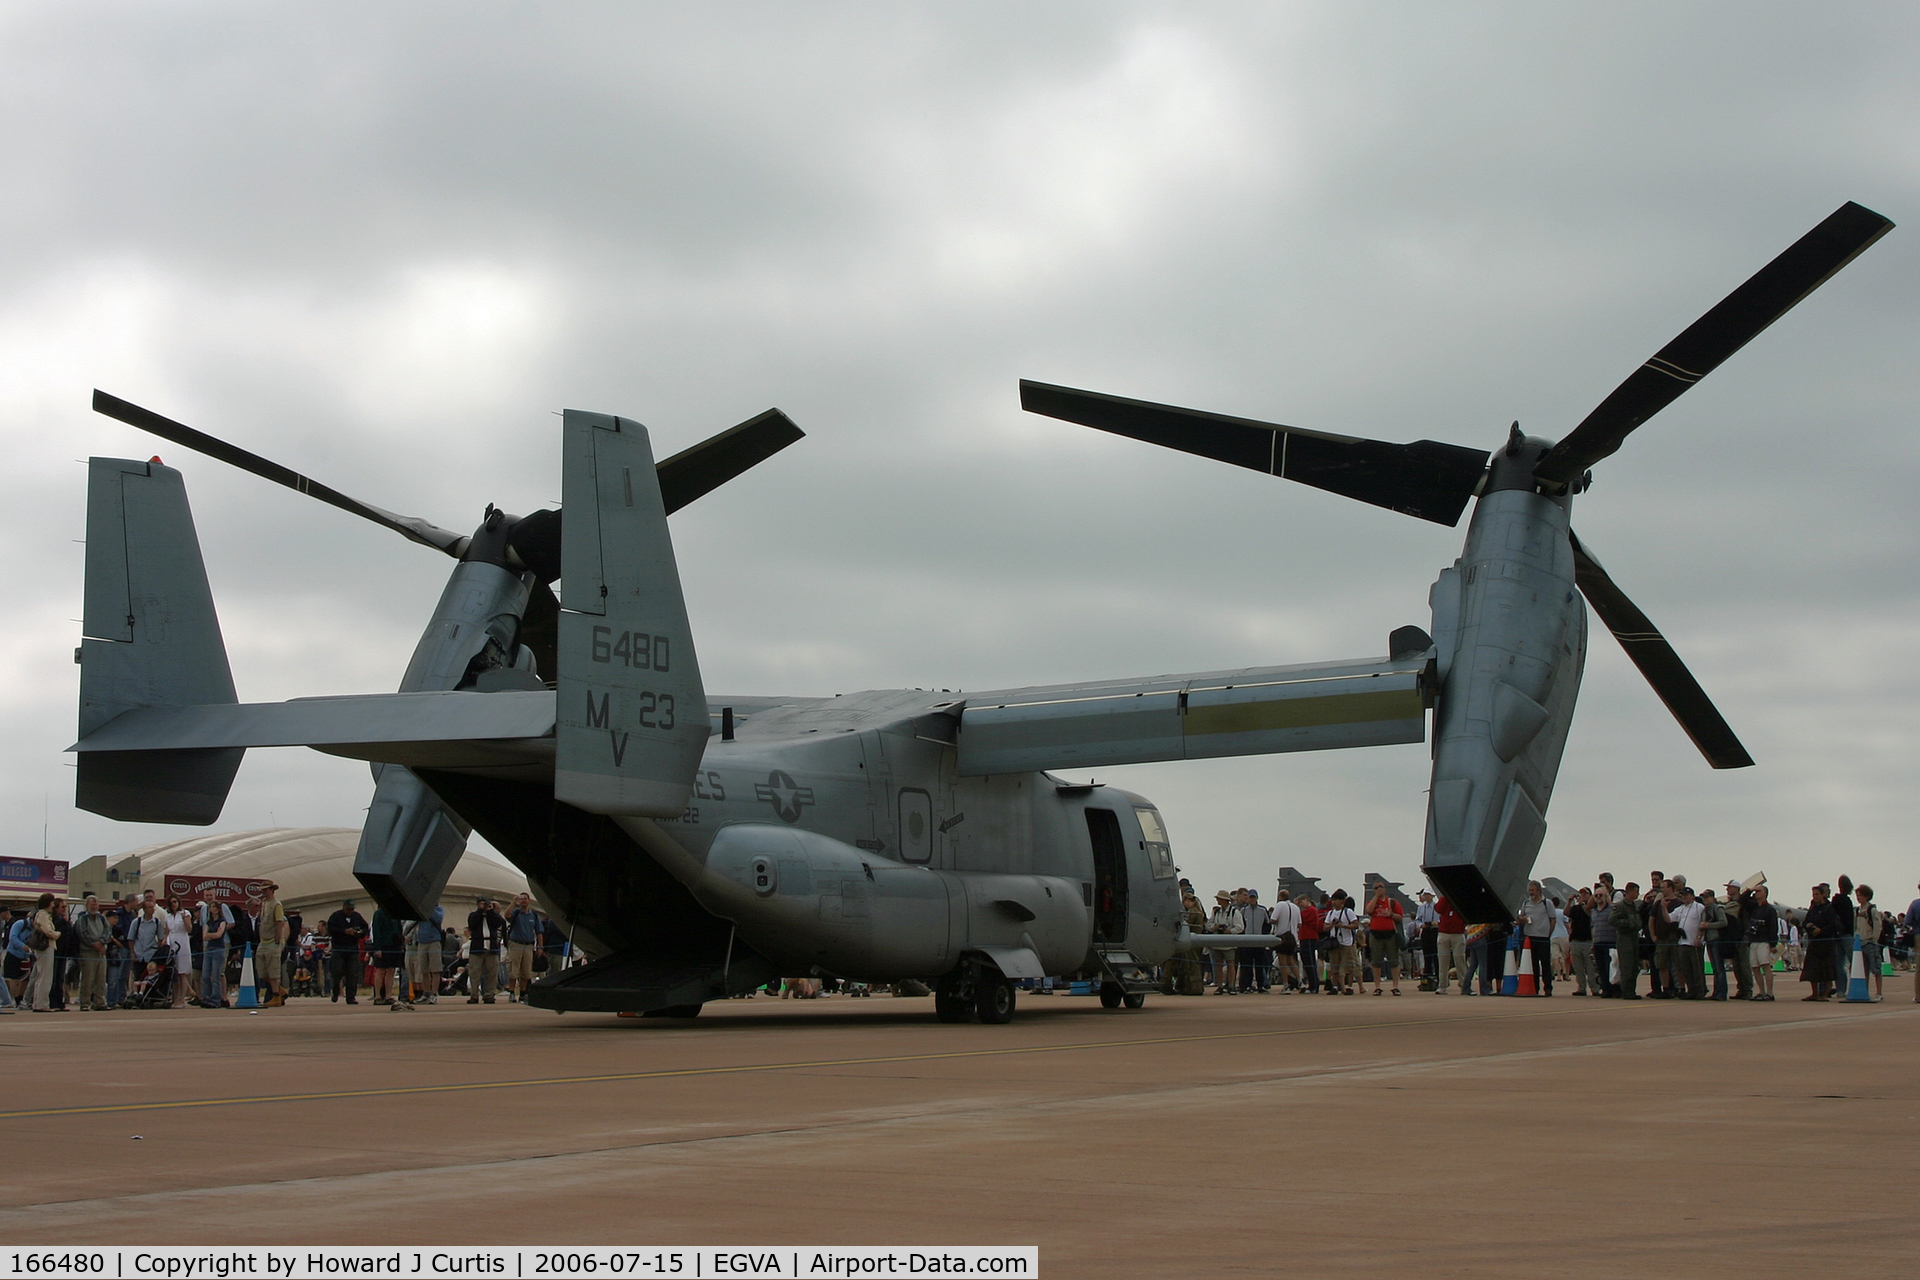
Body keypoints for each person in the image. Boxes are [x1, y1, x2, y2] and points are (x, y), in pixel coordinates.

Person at [71, 894, 113, 1011]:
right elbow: (82, 933)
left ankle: (100, 1002)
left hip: (101, 952)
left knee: (101, 978)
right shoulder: (82, 919)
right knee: (87, 978)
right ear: (87, 906)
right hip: (88, 952)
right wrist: (93, 944)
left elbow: (108, 931)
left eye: (96, 904)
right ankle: (85, 1003)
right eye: (92, 904)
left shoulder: (102, 918)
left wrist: (102, 942)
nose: (94, 906)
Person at [1800, 885, 1841, 1001]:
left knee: (1827, 970)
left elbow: (1834, 925)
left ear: (1823, 895)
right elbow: (1805, 921)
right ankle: (1814, 993)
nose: (1815, 897)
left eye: (1817, 894)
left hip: (1826, 943)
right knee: (1812, 969)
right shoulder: (1812, 908)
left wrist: (1821, 930)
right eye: (1813, 895)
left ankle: (1825, 994)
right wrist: (1809, 926)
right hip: (1814, 942)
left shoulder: (1829, 908)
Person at [325, 899, 369, 1005]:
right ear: (344, 906)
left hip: (352, 949)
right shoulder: (336, 916)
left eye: (352, 909)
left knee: (352, 974)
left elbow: (365, 928)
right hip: (339, 949)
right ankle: (335, 992)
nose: (350, 911)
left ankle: (351, 997)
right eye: (348, 909)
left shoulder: (357, 917)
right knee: (337, 972)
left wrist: (360, 932)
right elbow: (331, 929)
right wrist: (344, 931)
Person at [1515, 881, 1555, 996]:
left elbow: (1553, 919)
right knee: (1533, 964)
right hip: (1529, 937)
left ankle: (1548, 988)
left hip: (1543, 938)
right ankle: (1535, 988)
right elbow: (1520, 916)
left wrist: (1549, 933)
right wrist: (1522, 919)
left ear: (1539, 891)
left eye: (1533, 890)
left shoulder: (1547, 903)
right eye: (1530, 890)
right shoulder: (1526, 903)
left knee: (1545, 963)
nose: (1531, 893)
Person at [1364, 882, 1404, 995]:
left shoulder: (1392, 902)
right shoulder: (1372, 902)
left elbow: (1400, 916)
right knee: (1376, 961)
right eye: (1376, 888)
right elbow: (1369, 911)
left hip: (1390, 934)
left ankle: (1395, 986)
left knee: (1393, 960)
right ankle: (1377, 986)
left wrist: (1391, 914)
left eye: (1381, 887)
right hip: (1376, 935)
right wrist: (1376, 897)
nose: (1379, 889)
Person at [504, 893, 545, 1004]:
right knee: (513, 970)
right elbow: (506, 915)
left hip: (528, 945)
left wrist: (540, 947)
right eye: (521, 899)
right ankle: (512, 993)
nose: (523, 901)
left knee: (526, 972)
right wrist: (513, 903)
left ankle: (523, 993)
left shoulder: (534, 915)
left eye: (525, 899)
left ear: (529, 900)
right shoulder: (516, 913)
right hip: (516, 944)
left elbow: (539, 932)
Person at [195, 889, 233, 1008]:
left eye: (211, 895)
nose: (209, 897)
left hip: (222, 944)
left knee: (219, 972)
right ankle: (207, 997)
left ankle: (222, 997)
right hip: (207, 946)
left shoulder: (223, 907)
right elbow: (203, 929)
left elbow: (230, 923)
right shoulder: (203, 910)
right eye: (207, 895)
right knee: (206, 974)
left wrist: (215, 934)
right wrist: (209, 937)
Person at [24, 893, 61, 1012]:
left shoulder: (44, 914)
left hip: (46, 948)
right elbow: (47, 930)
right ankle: (42, 1004)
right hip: (45, 947)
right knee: (45, 976)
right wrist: (57, 934)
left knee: (41, 976)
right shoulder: (43, 914)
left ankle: (38, 1002)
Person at [254, 882, 288, 1007]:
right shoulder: (264, 904)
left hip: (273, 941)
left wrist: (278, 939)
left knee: (273, 971)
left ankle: (276, 996)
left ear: (272, 890)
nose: (263, 891)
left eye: (265, 889)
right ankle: (279, 989)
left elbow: (280, 923)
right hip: (263, 941)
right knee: (262, 971)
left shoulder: (276, 905)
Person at [467, 898, 507, 1003]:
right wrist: (480, 911)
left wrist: (491, 911)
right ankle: (474, 995)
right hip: (477, 946)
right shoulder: (473, 915)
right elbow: (472, 923)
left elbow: (500, 923)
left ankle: (489, 995)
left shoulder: (492, 916)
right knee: (475, 973)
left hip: (492, 947)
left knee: (492, 973)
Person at [1322, 892, 1362, 995]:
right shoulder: (1330, 913)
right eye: (1333, 900)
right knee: (1334, 966)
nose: (1334, 902)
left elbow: (1355, 925)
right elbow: (1324, 927)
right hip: (1335, 942)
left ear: (1342, 901)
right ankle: (1335, 986)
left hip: (1347, 942)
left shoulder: (1348, 912)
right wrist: (1332, 925)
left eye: (1336, 900)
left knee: (1347, 966)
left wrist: (1343, 926)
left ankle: (1348, 986)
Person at [1745, 885, 1779, 1002]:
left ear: (1765, 894)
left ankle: (1769, 992)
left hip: (1764, 941)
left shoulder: (1770, 910)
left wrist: (1773, 944)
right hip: (1753, 940)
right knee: (1754, 967)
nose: (1756, 893)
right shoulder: (1754, 908)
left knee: (1765, 965)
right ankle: (1761, 991)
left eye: (1759, 891)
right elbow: (1742, 900)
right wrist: (1749, 890)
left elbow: (1773, 927)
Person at [1609, 883, 1643, 999]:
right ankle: (1626, 991)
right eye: (1636, 891)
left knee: (1634, 966)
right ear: (1630, 891)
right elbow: (1612, 920)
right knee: (1627, 966)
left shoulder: (1634, 906)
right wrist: (1628, 923)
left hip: (1634, 937)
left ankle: (1631, 990)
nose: (1637, 894)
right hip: (1625, 938)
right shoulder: (1620, 906)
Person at [408, 906, 446, 1004]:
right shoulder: (421, 908)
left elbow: (438, 919)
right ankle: (426, 993)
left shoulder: (438, 909)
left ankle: (433, 994)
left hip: (434, 941)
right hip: (421, 941)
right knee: (423, 970)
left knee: (435, 969)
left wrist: (429, 908)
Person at [161, 895, 193, 1008]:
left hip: (182, 941)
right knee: (174, 972)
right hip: (172, 942)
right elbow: (167, 931)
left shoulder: (185, 913)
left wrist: (185, 920)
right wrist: (165, 940)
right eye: (171, 902)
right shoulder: (168, 916)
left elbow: (189, 929)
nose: (174, 904)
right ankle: (175, 998)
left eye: (175, 902)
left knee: (182, 972)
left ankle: (181, 999)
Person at [1852, 885, 1883, 1001]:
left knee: (1876, 968)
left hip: (1870, 942)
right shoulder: (1857, 910)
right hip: (1860, 943)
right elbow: (1855, 926)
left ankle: (1879, 992)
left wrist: (1874, 939)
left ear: (1867, 896)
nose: (1858, 898)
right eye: (1857, 895)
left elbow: (1877, 926)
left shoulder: (1872, 910)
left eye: (1860, 896)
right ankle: (1864, 991)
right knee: (1863, 969)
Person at [370, 905, 405, 1005]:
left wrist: (400, 941)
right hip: (383, 945)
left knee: (392, 970)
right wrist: (377, 948)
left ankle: (388, 996)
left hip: (394, 945)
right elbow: (376, 930)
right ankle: (377, 996)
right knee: (380, 970)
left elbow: (399, 929)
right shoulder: (379, 914)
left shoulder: (395, 914)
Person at [1238, 890, 1272, 993]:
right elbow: (1241, 924)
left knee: (1259, 965)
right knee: (1247, 965)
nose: (1252, 899)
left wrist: (1263, 935)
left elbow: (1267, 924)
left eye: (1254, 897)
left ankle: (1260, 985)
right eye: (1251, 897)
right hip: (1247, 941)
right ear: (1248, 898)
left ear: (1257, 898)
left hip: (1259, 941)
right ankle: (1248, 985)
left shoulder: (1262, 910)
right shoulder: (1243, 910)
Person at [1208, 891, 1241, 994]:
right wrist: (1215, 927)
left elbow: (1240, 927)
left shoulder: (1234, 912)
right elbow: (1208, 925)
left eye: (1219, 898)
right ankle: (1220, 986)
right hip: (1217, 942)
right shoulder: (1216, 912)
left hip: (1229, 942)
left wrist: (1229, 931)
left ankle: (1231, 986)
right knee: (1218, 965)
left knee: (1230, 964)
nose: (1217, 900)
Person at [1269, 890, 1302, 993]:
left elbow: (1273, 919)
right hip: (1293, 937)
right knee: (1291, 961)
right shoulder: (1296, 907)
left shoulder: (1279, 905)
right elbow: (1300, 924)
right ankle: (1300, 981)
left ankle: (1286, 986)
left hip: (1282, 937)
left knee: (1282, 963)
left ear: (1280, 896)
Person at [1432, 895, 1466, 994]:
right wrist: (1446, 897)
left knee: (1460, 960)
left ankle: (1464, 984)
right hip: (1444, 932)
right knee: (1443, 961)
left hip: (1458, 932)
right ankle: (1442, 985)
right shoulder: (1445, 897)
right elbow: (1438, 909)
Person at [1566, 888, 1595, 996]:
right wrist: (1569, 901)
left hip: (1587, 940)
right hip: (1575, 940)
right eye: (1581, 894)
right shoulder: (1575, 908)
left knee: (1590, 967)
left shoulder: (1591, 907)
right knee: (1578, 967)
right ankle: (1581, 987)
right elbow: (1566, 912)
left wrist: (1583, 903)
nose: (1582, 895)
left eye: (1585, 894)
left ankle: (1594, 988)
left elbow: (1588, 912)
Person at [1296, 893, 1323, 994]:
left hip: (1309, 938)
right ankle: (1312, 984)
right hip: (1305, 938)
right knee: (1307, 962)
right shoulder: (1310, 910)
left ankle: (1314, 985)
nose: (1301, 904)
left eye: (1302, 902)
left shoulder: (1311, 910)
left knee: (1310, 962)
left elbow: (1300, 917)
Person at [1413, 891, 1440, 990]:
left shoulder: (1437, 907)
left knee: (1436, 956)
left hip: (1434, 930)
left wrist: (1436, 923)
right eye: (1425, 895)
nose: (1427, 896)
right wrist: (1421, 925)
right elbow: (1417, 919)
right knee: (1427, 956)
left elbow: (1441, 918)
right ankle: (1427, 978)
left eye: (1428, 895)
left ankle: (1438, 978)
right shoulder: (1421, 908)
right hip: (1425, 931)